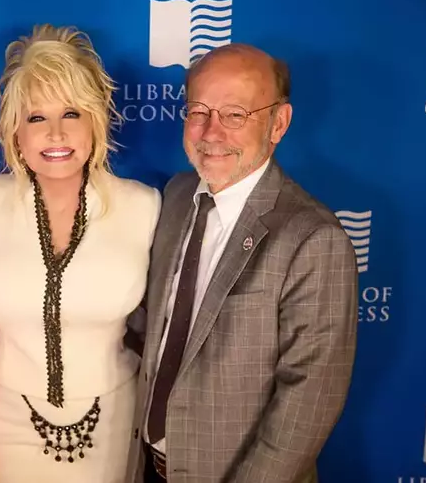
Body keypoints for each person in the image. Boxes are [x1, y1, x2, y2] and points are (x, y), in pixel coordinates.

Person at [124, 44, 359, 483]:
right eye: (198, 111)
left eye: (234, 114)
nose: (211, 132)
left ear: (278, 123)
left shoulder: (312, 239)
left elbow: (307, 406)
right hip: (146, 468)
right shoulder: (176, 196)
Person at [0, 24, 161, 483]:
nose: (56, 134)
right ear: (15, 132)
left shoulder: (144, 205)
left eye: (72, 113)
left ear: (96, 121)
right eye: (36, 118)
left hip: (114, 412)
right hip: (9, 412)